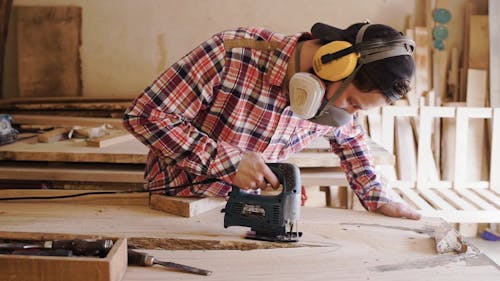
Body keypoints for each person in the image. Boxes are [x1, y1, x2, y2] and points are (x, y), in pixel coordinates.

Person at [123, 21, 421, 220]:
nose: (348, 116)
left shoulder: (334, 100)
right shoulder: (232, 54)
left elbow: (351, 137)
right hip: (176, 208)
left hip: (248, 213)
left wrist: (377, 196)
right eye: (353, 103)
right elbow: (146, 115)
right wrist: (228, 163)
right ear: (335, 65)